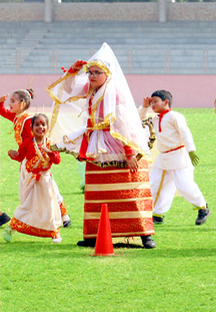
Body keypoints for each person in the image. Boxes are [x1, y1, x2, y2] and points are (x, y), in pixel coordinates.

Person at [49, 43, 155, 249]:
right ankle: (92, 235)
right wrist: (73, 71)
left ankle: (145, 234)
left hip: (118, 145)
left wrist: (130, 153)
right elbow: (68, 89)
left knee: (130, 192)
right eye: (90, 72)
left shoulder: (116, 94)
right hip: (96, 144)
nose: (91, 76)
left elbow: (124, 125)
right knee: (96, 191)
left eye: (97, 73)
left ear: (107, 74)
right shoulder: (90, 89)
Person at [139, 90, 210, 226]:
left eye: (155, 102)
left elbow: (185, 133)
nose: (152, 104)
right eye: (151, 102)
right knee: (155, 183)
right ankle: (157, 214)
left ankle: (203, 208)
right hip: (163, 157)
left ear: (166, 102)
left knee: (183, 185)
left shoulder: (174, 116)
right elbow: (139, 119)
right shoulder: (155, 118)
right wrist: (144, 106)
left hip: (178, 155)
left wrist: (191, 150)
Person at [4, 115, 67, 243]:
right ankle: (12, 227)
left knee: (50, 205)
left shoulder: (50, 143)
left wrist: (49, 152)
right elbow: (21, 156)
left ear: (48, 128)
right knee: (29, 205)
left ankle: (54, 232)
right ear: (32, 128)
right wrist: (14, 155)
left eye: (43, 124)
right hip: (31, 179)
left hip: (45, 180)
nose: (40, 127)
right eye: (37, 124)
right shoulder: (27, 142)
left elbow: (57, 160)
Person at [0, 88, 40, 230]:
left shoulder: (28, 120)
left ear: (22, 104)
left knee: (42, 188)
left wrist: (23, 156)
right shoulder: (18, 118)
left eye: (13, 101)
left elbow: (34, 141)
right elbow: (4, 112)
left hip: (33, 160)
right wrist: (1, 103)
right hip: (24, 160)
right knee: (29, 190)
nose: (10, 103)